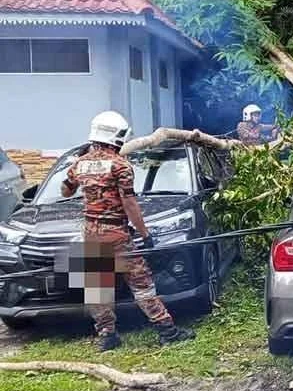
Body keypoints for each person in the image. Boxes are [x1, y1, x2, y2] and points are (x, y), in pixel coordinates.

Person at [61, 111, 195, 351]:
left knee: (96, 287)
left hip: (91, 234)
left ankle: (107, 336)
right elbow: (129, 203)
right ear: (117, 137)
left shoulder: (80, 164)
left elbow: (65, 191)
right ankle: (167, 330)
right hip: (117, 236)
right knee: (141, 284)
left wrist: (81, 171)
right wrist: (145, 234)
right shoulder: (121, 165)